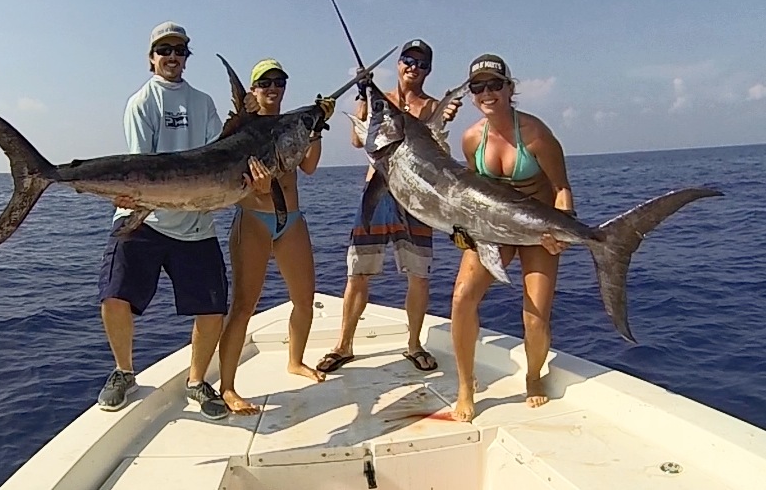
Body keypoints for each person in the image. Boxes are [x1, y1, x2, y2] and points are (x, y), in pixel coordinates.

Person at [96, 21, 256, 419]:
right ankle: (123, 371)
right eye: (164, 50)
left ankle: (197, 381)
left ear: (186, 57)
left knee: (212, 309)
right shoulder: (141, 102)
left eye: (179, 51)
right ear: (151, 59)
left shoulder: (203, 103)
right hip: (144, 217)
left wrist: (249, 124)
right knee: (114, 297)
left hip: (196, 222)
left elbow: (219, 155)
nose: (172, 57)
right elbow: (143, 167)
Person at [316, 39, 461, 374]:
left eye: (421, 63)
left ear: (428, 71)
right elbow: (357, 140)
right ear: (398, 63)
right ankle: (344, 345)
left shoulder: (433, 107)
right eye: (408, 60)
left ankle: (414, 344)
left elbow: (437, 148)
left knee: (418, 276)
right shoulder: (380, 100)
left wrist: (442, 119)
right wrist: (363, 94)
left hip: (415, 198)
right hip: (376, 193)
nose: (414, 67)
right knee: (357, 273)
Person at [449, 53, 573, 422]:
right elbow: (475, 193)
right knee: (461, 299)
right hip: (494, 228)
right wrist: (463, 231)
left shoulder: (536, 135)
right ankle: (465, 386)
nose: (487, 93)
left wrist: (562, 229)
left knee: (534, 317)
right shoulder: (471, 139)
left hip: (540, 232)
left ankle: (533, 377)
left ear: (509, 88)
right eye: (478, 87)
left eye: (494, 85)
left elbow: (561, 189)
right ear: (472, 94)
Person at [217, 58, 332, 415]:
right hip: (253, 219)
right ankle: (228, 387)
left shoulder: (293, 126)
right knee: (242, 307)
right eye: (264, 82)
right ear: (252, 90)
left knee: (304, 299)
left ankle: (295, 361)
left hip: (291, 221)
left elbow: (309, 167)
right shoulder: (240, 127)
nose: (272, 88)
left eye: (278, 81)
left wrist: (316, 126)